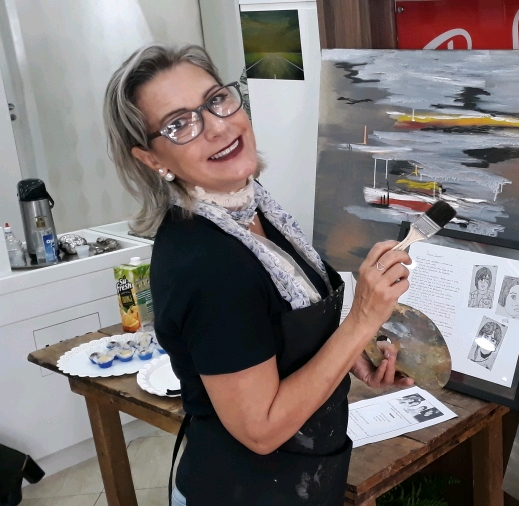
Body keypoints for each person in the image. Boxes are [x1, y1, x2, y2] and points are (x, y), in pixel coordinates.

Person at [103, 44, 413, 506]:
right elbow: (261, 429)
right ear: (152, 159)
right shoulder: (205, 262)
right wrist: (362, 320)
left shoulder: (252, 206)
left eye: (216, 100)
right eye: (179, 124)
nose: (217, 126)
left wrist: (351, 352)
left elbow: (277, 325)